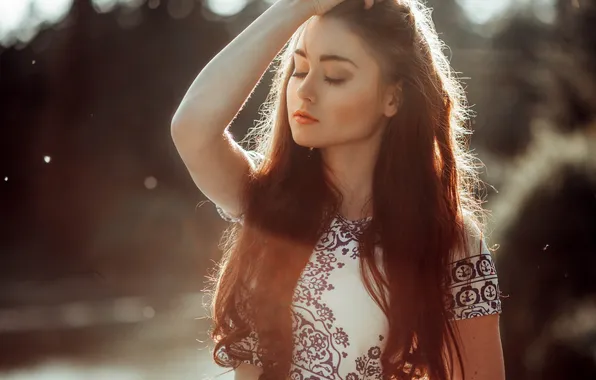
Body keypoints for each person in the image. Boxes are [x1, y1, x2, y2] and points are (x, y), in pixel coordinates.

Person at [171, 0, 506, 379]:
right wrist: (299, 7)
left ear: (392, 97)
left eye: (334, 76)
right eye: (298, 70)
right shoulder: (264, 203)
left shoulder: (447, 239)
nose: (305, 91)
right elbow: (191, 129)